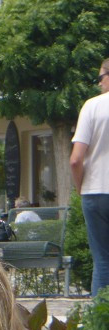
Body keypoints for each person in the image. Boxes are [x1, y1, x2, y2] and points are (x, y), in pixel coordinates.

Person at [71, 57, 109, 297]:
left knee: (103, 261)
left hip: (95, 190)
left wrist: (79, 187)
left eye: (100, 78)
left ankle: (100, 326)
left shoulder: (92, 106)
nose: (98, 84)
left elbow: (75, 159)